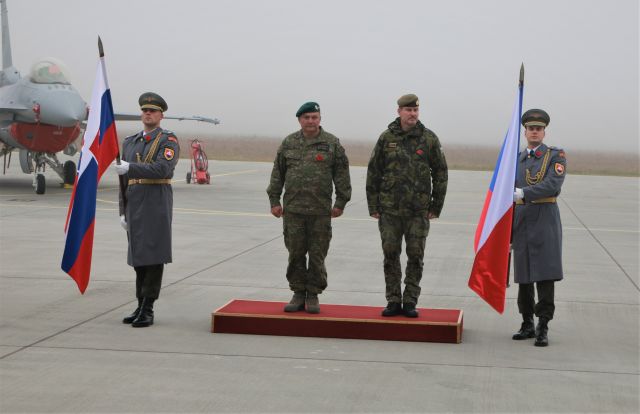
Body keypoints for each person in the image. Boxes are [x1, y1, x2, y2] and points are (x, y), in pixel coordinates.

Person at [366, 94, 448, 318]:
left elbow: (440, 173)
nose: (412, 114)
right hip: (389, 210)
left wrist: (436, 206)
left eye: (415, 110)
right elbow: (374, 172)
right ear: (399, 111)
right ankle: (393, 300)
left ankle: (410, 300)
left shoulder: (429, 138)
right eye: (408, 110)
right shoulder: (386, 138)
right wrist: (373, 205)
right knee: (390, 254)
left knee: (415, 256)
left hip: (418, 211)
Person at [267, 102, 352, 314]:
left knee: (317, 255)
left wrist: (341, 202)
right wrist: (274, 201)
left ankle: (313, 294)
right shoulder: (289, 143)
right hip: (293, 211)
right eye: (307, 117)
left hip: (320, 211)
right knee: (295, 254)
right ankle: (298, 292)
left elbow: (342, 175)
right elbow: (278, 174)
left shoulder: (331, 143)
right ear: (300, 120)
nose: (311, 121)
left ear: (320, 119)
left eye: (314, 117)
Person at [114, 92, 180, 328]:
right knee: (138, 256)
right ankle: (140, 303)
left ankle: (148, 308)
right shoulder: (130, 141)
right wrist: (122, 210)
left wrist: (131, 167)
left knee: (153, 255)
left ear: (161, 115)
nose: (148, 113)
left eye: (153, 111)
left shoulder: (167, 140)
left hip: (155, 201)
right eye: (145, 110)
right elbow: (123, 181)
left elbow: (163, 169)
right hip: (134, 202)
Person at [511, 108, 566, 347]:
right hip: (522, 219)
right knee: (523, 275)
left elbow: (553, 185)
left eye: (538, 129)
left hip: (545, 218)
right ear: (525, 132)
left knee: (545, 274)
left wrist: (524, 193)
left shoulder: (555, 156)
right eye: (531, 128)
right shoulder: (518, 158)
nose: (534, 132)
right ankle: (527, 323)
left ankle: (543, 325)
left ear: (544, 132)